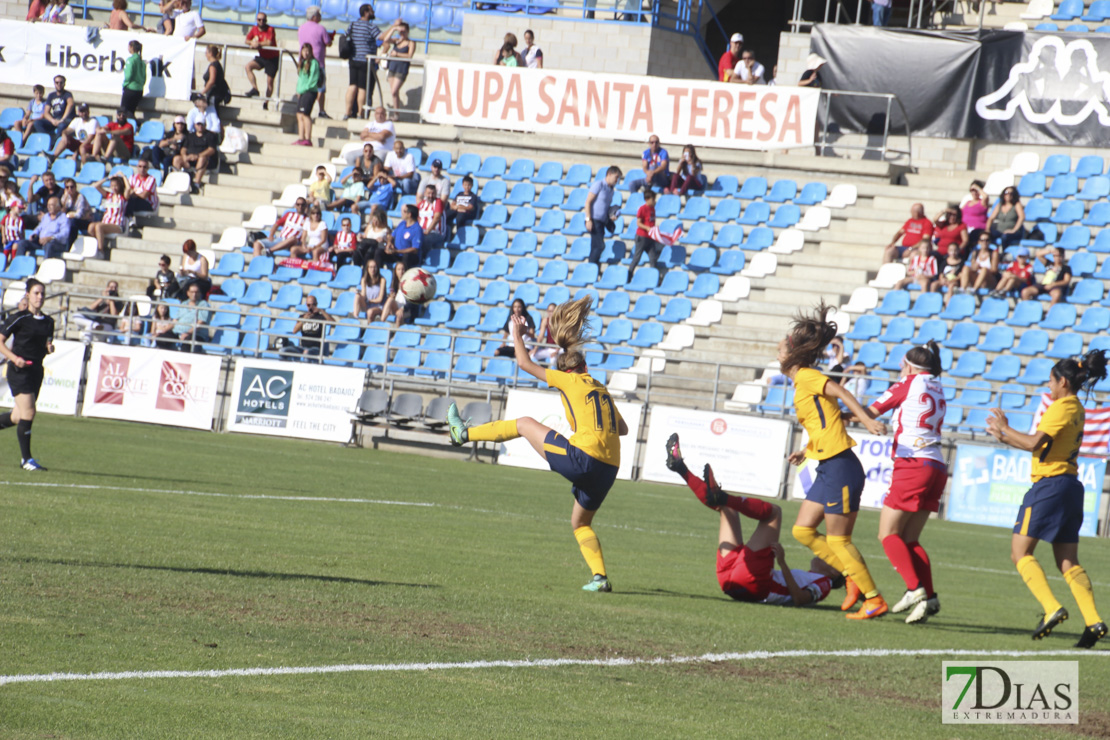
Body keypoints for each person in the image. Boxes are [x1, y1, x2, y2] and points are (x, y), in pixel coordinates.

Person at [447, 296, 629, 592]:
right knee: (580, 523)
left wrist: (516, 334)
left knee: (523, 424)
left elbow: (523, 362)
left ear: (565, 372)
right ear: (586, 365)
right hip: (609, 470)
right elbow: (623, 428)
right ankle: (600, 578)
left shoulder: (569, 381)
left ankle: (462, 434)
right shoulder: (601, 389)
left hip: (584, 458)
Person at [987, 351, 1108, 649]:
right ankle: (1094, 622)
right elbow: (1040, 447)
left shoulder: (1060, 407)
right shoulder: (1077, 407)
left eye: (1051, 382)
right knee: (1068, 561)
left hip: (1049, 486)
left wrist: (1005, 428)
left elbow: (1033, 442)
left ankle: (1052, 607)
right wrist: (1005, 438)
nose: (1049, 387)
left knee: (1020, 553)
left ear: (1063, 381)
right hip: (1069, 485)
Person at [779, 302, 890, 620]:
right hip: (827, 464)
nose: (777, 351)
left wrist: (867, 422)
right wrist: (807, 448)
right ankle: (853, 579)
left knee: (839, 539)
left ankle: (873, 598)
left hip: (841, 465)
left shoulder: (809, 376)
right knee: (802, 531)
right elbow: (825, 420)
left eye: (780, 347)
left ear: (792, 352)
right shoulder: (801, 382)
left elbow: (841, 390)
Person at [665, 436, 840, 606]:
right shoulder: (813, 577)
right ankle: (680, 467)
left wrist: (783, 563)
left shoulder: (825, 583)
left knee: (775, 513)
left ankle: (722, 496)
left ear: (835, 572)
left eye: (829, 557)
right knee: (727, 510)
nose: (822, 554)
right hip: (731, 581)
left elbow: (800, 599)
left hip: (753, 583)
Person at [859, 342, 947, 625]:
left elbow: (871, 411)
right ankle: (930, 597)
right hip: (936, 463)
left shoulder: (909, 382)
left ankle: (914, 589)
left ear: (909, 365)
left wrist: (843, 411)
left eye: (902, 364)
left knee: (887, 534)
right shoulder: (937, 384)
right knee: (909, 539)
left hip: (913, 463)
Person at [0, 279, 54, 471]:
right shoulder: (19, 318)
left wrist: (48, 348)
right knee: (29, 412)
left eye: (42, 294)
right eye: (36, 293)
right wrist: (14, 358)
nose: (39, 297)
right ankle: (26, 460)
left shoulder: (49, 322)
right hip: (19, 370)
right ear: (28, 295)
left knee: (17, 416)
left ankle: (27, 459)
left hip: (36, 371)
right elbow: (0, 342)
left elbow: (45, 344)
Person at [345, 4, 380, 120]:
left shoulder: (352, 25)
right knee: (362, 88)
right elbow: (381, 37)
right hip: (365, 61)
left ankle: (347, 112)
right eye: (371, 10)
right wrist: (393, 28)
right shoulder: (371, 27)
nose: (373, 12)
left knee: (352, 86)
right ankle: (360, 113)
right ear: (366, 12)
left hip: (353, 59)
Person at [298, 6, 334, 119]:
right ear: (314, 16)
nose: (320, 16)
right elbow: (328, 42)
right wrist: (331, 38)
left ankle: (301, 106)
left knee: (303, 84)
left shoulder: (301, 27)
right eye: (318, 14)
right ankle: (321, 110)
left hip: (303, 62)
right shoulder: (320, 28)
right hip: (318, 62)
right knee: (320, 87)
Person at [585, 166, 620, 265]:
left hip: (602, 221)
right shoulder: (599, 185)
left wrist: (612, 215)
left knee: (595, 246)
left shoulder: (611, 190)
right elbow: (588, 202)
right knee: (600, 246)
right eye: (616, 177)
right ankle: (592, 267)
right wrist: (588, 219)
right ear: (609, 174)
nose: (617, 180)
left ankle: (594, 267)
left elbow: (606, 207)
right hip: (594, 220)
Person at [244, 13, 279, 104]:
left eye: (263, 20)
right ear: (257, 20)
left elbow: (269, 42)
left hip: (272, 58)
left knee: (269, 82)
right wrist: (252, 43)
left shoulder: (270, 29)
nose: (261, 22)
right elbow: (246, 40)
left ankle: (266, 102)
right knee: (248, 66)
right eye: (259, 20)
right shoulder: (254, 29)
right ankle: (255, 88)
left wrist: (258, 44)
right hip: (263, 57)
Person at [174, 119, 219, 189]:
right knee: (177, 159)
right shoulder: (190, 136)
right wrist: (185, 156)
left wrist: (197, 156)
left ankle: (196, 184)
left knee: (202, 158)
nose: (200, 126)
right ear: (195, 125)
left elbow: (211, 150)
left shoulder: (210, 135)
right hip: (190, 160)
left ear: (205, 125)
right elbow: (183, 149)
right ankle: (176, 182)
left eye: (202, 124)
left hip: (204, 160)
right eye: (198, 124)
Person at [381, 20, 414, 117]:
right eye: (401, 32)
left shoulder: (410, 42)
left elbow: (409, 56)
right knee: (394, 93)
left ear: (407, 31)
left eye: (404, 31)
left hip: (401, 69)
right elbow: (385, 40)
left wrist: (397, 54)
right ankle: (396, 114)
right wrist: (394, 28)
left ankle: (396, 113)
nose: (402, 34)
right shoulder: (396, 40)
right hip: (392, 67)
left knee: (394, 90)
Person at [375, 203, 421, 269]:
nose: (402, 213)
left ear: (409, 214)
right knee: (379, 251)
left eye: (404, 212)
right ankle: (378, 275)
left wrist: (397, 251)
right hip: (396, 253)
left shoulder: (417, 229)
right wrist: (389, 243)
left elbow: (414, 249)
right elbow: (392, 235)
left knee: (407, 256)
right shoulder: (402, 224)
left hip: (407, 256)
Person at [954, 232, 1000, 298]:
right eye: (982, 240)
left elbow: (994, 270)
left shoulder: (993, 253)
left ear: (990, 242)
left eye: (987, 240)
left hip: (988, 280)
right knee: (966, 268)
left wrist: (981, 268)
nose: (984, 242)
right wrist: (974, 267)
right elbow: (972, 266)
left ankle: (974, 289)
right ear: (979, 242)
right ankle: (962, 288)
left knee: (984, 270)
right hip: (976, 277)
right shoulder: (975, 253)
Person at [169, 281, 210, 352]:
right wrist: (163, 330)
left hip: (194, 334)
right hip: (177, 332)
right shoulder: (183, 304)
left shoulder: (203, 304)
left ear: (200, 293)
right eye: (192, 292)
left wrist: (187, 333)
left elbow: (200, 323)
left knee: (187, 343)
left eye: (196, 292)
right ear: (188, 293)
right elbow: (175, 321)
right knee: (162, 338)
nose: (194, 294)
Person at [629, 189, 660, 282]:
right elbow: (638, 222)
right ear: (647, 199)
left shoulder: (653, 209)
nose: (654, 201)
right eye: (653, 199)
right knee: (636, 258)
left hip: (650, 238)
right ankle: (629, 276)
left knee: (653, 258)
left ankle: (653, 279)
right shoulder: (642, 208)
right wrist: (647, 228)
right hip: (642, 237)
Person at [294, 43, 322, 147]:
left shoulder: (314, 63)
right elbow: (301, 79)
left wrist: (304, 89)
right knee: (299, 114)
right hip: (302, 92)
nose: (306, 53)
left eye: (308, 51)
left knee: (305, 114)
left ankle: (308, 138)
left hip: (310, 91)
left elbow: (312, 80)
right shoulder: (302, 63)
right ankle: (301, 138)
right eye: (304, 51)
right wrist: (298, 90)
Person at [33, 76, 76, 142]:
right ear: (54, 84)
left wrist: (62, 119)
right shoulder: (51, 95)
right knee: (37, 123)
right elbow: (46, 112)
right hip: (55, 119)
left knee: (62, 125)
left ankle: (54, 144)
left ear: (64, 84)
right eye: (57, 82)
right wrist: (52, 120)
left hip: (66, 120)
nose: (59, 84)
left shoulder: (68, 94)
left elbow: (70, 104)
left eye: (61, 82)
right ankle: (47, 140)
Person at [119, 40, 147, 118]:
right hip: (139, 90)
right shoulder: (142, 62)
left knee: (123, 112)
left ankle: (136, 124)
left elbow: (128, 75)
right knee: (131, 112)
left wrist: (125, 84)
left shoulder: (131, 60)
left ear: (131, 47)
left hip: (130, 89)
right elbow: (144, 77)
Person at [59, 177, 93, 244]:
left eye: (72, 187)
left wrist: (69, 214)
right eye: (67, 187)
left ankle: (70, 245)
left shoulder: (80, 198)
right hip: (73, 219)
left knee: (72, 223)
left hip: (85, 220)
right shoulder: (66, 197)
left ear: (75, 187)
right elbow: (61, 212)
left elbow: (79, 215)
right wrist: (65, 198)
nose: (70, 189)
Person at [201, 45, 232, 113]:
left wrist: (203, 92)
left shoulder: (213, 66)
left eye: (206, 53)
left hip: (214, 94)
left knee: (213, 115)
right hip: (216, 94)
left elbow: (212, 80)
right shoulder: (217, 64)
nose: (205, 55)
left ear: (210, 54)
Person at [959, 179, 990, 244]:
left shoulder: (982, 202)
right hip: (965, 229)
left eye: (976, 191)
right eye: (972, 190)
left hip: (977, 230)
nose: (974, 192)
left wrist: (977, 187)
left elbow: (985, 196)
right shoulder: (967, 202)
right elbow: (959, 213)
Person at [417, 184, 446, 250]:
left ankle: (423, 258)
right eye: (429, 193)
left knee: (424, 239)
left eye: (433, 193)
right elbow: (415, 217)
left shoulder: (438, 202)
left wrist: (427, 231)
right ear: (424, 193)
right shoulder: (421, 204)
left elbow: (436, 218)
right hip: (422, 231)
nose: (431, 196)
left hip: (436, 233)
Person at [2, 202, 25, 266]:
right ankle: (4, 263)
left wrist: (23, 238)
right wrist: (3, 237)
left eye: (21, 209)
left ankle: (14, 263)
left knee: (14, 250)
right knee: (6, 252)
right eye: (19, 208)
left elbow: (22, 230)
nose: (20, 210)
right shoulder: (6, 217)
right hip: (8, 238)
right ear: (12, 208)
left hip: (17, 238)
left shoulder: (20, 219)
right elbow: (3, 226)